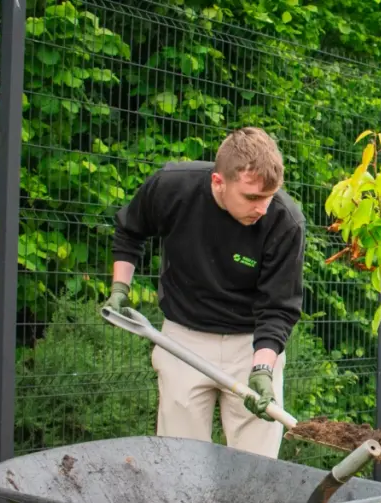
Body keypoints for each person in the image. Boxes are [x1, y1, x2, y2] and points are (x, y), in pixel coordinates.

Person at [104, 127, 305, 459]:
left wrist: (263, 370)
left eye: (269, 196)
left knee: (256, 469)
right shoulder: (173, 187)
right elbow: (130, 229)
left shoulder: (285, 222)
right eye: (252, 197)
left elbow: (279, 308)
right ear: (218, 182)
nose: (262, 208)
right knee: (179, 461)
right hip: (183, 338)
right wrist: (119, 288)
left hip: (250, 345)